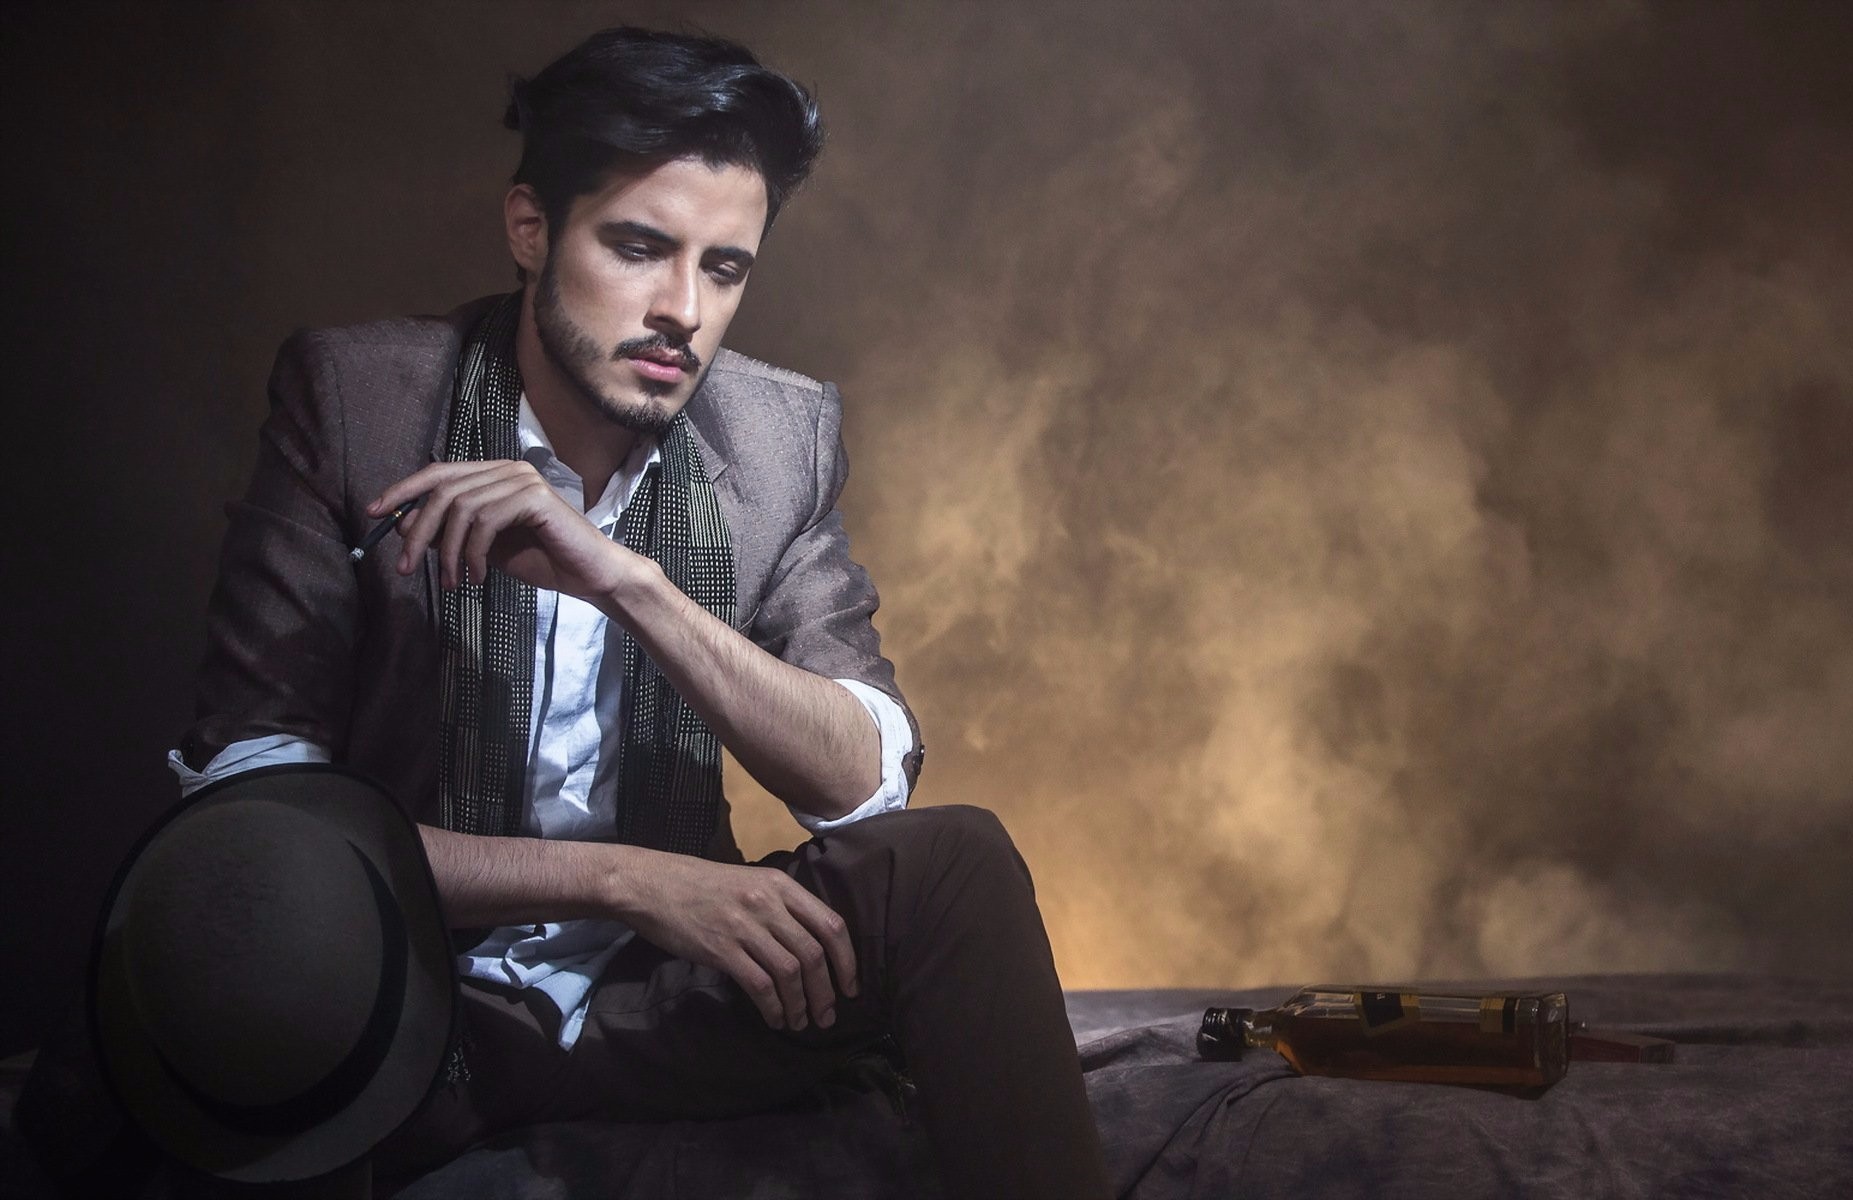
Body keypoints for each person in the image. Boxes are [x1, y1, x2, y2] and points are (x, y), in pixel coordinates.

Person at [68, 25, 1114, 1200]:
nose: (684, 309)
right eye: (638, 247)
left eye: (726, 268)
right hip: (414, 1001)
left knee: (953, 863)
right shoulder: (358, 400)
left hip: (663, 998)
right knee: (263, 973)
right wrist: (630, 881)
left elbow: (862, 781)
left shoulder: (778, 439)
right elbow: (252, 827)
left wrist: (630, 584)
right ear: (531, 230)